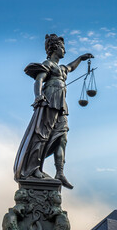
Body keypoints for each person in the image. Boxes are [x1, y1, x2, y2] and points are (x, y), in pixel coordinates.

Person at [14, 34, 94, 189]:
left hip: (61, 105)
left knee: (62, 137)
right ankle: (34, 169)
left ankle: (60, 173)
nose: (64, 50)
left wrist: (81, 58)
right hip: (50, 102)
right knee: (42, 135)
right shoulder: (48, 64)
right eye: (62, 47)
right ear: (55, 48)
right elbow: (39, 80)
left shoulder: (63, 69)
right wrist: (38, 96)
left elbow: (71, 66)